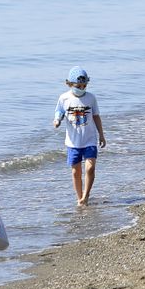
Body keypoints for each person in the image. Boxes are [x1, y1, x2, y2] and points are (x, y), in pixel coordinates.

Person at [53, 66, 106, 206]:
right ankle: (79, 198)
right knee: (76, 171)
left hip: (89, 139)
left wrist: (101, 135)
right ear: (69, 84)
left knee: (90, 168)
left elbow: (96, 116)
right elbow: (59, 111)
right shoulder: (64, 98)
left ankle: (86, 195)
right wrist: (57, 120)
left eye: (84, 85)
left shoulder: (91, 98)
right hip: (73, 142)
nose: (82, 88)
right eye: (78, 86)